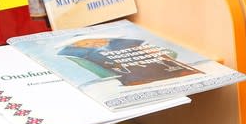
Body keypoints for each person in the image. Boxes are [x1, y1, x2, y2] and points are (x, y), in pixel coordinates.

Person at [58, 36, 200, 86]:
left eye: (94, 41)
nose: (92, 43)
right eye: (85, 44)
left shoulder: (122, 42)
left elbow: (170, 53)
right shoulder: (83, 55)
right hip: (135, 80)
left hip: (170, 72)